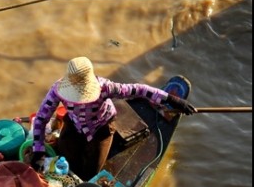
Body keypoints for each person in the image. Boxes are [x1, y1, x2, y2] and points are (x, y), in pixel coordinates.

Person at [29, 56, 197, 180]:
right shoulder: (57, 90)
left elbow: (138, 89)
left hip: (101, 125)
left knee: (90, 172)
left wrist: (171, 99)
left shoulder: (104, 87)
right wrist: (38, 151)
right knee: (66, 157)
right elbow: (41, 118)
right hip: (74, 124)